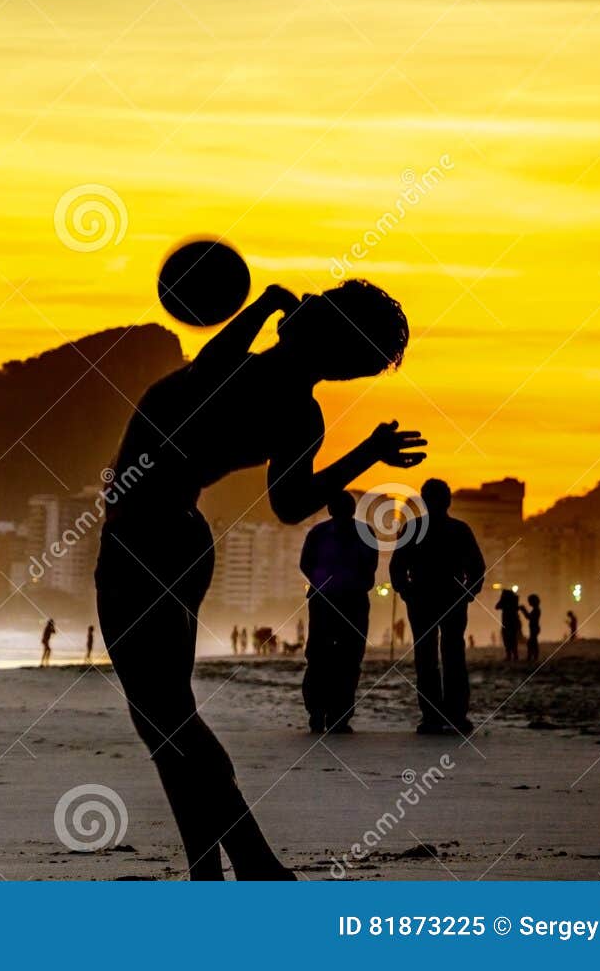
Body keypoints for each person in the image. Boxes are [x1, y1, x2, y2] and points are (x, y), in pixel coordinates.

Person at [96, 279, 422, 879]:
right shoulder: (301, 412)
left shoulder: (259, 381)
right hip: (170, 539)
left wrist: (265, 303)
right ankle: (217, 870)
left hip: (149, 542)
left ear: (324, 334)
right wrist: (366, 453)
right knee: (166, 720)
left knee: (166, 720)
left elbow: (207, 373)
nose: (306, 301)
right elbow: (293, 503)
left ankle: (253, 863)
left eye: (319, 304)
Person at [390, 479, 485, 735]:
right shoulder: (459, 530)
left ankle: (433, 716)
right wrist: (468, 592)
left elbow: (397, 567)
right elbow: (477, 567)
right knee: (452, 655)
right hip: (448, 598)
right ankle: (455, 715)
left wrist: (406, 590)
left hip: (425, 599)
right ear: (448, 500)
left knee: (427, 658)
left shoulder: (414, 528)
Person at [298, 492, 377, 733]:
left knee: (321, 657)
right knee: (347, 658)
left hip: (327, 600)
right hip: (349, 600)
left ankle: (319, 713)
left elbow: (305, 564)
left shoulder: (318, 533)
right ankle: (337, 716)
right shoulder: (364, 532)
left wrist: (321, 581)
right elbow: (371, 565)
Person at [495, 589, 522, 662]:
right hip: (514, 623)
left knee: (507, 640)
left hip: (507, 623)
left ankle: (509, 655)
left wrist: (501, 599)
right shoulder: (514, 601)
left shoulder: (505, 602)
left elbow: (497, 607)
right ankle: (514, 655)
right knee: (513, 640)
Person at [524, 594, 542, 663]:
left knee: (531, 643)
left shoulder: (536, 610)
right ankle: (533, 656)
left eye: (530, 601)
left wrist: (524, 610)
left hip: (534, 628)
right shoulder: (536, 609)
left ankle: (532, 656)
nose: (529, 603)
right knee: (533, 642)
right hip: (534, 628)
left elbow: (529, 617)